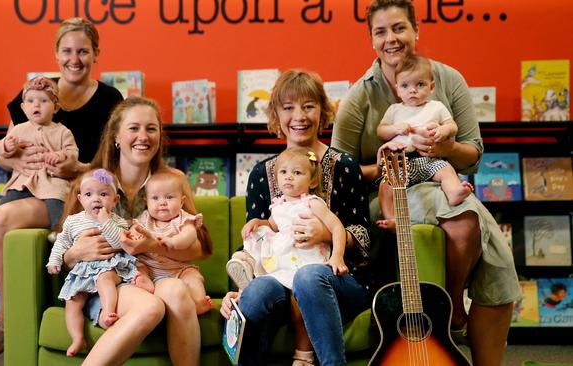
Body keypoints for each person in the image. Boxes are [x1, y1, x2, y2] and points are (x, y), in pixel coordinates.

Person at [330, 1, 521, 365]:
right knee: (466, 219)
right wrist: (387, 162)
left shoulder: (448, 80)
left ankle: (457, 321)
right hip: (387, 192)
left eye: (399, 28)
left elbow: (473, 155)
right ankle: (452, 310)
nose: (391, 39)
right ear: (371, 39)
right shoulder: (360, 96)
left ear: (416, 30)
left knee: (497, 261)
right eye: (380, 31)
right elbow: (340, 171)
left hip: (442, 181)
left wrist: (447, 145)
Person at [0, 17, 123, 366]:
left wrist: (76, 168)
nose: (74, 58)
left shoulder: (110, 99)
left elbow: (110, 165)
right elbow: (6, 155)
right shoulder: (35, 90)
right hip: (24, 190)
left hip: (68, 197)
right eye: (66, 51)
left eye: (83, 51)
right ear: (55, 53)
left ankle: (8, 319)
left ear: (96, 53)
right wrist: (16, 161)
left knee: (1, 217)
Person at [221, 69, 371, 366]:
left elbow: (365, 238)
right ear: (276, 116)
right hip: (279, 277)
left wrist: (325, 234)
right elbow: (257, 238)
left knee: (309, 276)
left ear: (323, 112)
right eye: (288, 108)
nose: (298, 116)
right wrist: (240, 287)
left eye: (309, 106)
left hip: (338, 280)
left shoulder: (345, 165)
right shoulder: (262, 174)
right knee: (256, 292)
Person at [63, 96, 211, 365]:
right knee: (150, 307)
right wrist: (74, 254)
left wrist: (154, 246)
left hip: (159, 274)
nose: (143, 136)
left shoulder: (172, 181)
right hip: (110, 282)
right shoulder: (93, 182)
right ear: (116, 136)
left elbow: (201, 250)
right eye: (134, 128)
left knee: (177, 291)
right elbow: (66, 247)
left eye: (151, 129)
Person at [239, 146, 350, 365]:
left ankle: (304, 356)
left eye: (297, 173)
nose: (289, 177)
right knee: (259, 234)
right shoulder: (278, 206)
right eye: (283, 172)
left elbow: (338, 228)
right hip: (284, 264)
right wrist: (257, 222)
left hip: (308, 262)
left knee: (301, 292)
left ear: (312, 181)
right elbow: (272, 226)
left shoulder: (313, 203)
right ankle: (247, 262)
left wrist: (337, 257)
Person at [46, 168, 151, 357]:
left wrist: (105, 221)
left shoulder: (117, 221)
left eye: (103, 194)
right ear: (80, 199)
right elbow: (62, 242)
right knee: (73, 302)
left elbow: (118, 243)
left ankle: (108, 312)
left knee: (105, 280)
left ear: (115, 200)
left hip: (109, 265)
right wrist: (54, 261)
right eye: (89, 194)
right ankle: (77, 337)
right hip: (83, 271)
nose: (96, 199)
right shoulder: (73, 221)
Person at [375, 55, 472, 230]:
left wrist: (443, 131)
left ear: (431, 86)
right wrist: (396, 129)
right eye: (405, 85)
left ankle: (454, 193)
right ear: (397, 89)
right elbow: (381, 130)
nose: (412, 90)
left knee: (446, 171)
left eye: (420, 84)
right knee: (385, 185)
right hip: (400, 163)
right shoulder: (395, 110)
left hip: (429, 159)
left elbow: (452, 125)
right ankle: (391, 218)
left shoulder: (436, 107)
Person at [0, 76, 77, 233]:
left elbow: (72, 152)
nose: (36, 105)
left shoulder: (62, 131)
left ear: (55, 107)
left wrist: (60, 155)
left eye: (44, 101)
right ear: (24, 108)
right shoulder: (19, 129)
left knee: (57, 202)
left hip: (50, 181)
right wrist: (7, 146)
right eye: (30, 101)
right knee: (2, 207)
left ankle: (60, 233)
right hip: (23, 180)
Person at [130, 170, 214, 315]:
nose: (162, 202)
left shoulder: (183, 219)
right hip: (150, 267)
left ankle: (199, 302)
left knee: (193, 277)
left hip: (178, 269)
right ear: (146, 202)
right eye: (155, 198)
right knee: (138, 267)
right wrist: (134, 235)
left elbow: (191, 235)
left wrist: (174, 241)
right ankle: (146, 284)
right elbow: (134, 230)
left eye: (169, 197)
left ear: (182, 201)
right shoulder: (145, 219)